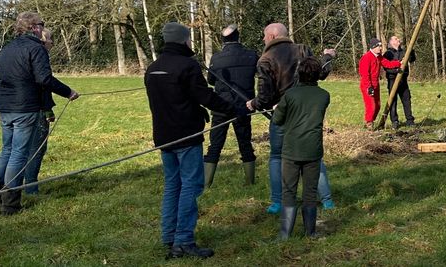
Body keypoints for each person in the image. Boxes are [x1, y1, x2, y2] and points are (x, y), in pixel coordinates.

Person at [144, 22, 238, 259]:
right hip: (186, 135)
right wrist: (232, 109)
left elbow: (177, 99)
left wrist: (197, 110)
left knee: (172, 186)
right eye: (189, 39)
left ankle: (169, 236)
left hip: (164, 136)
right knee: (191, 185)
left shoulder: (152, 68)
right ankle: (184, 240)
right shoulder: (187, 65)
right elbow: (204, 95)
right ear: (183, 40)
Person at [0, 12, 79, 215]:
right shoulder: (36, 48)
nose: (42, 28)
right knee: (18, 153)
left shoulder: (5, 49)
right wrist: (68, 92)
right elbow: (44, 79)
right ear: (34, 27)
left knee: (6, 150)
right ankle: (10, 204)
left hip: (6, 107)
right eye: (41, 24)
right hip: (25, 108)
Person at [246, 22, 337, 215]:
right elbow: (320, 73)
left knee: (277, 157)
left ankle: (278, 202)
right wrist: (328, 57)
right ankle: (327, 200)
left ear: (271, 37)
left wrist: (253, 104)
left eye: (264, 36)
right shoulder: (303, 50)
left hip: (282, 116)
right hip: (306, 114)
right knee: (314, 157)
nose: (263, 39)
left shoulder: (265, 59)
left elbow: (264, 97)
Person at [272, 57, 331, 240]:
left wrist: (278, 108)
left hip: (291, 150)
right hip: (313, 149)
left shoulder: (289, 95)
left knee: (288, 191)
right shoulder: (324, 95)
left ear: (299, 74)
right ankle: (310, 232)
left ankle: (284, 234)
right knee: (310, 192)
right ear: (317, 75)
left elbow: (277, 120)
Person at [204, 24, 259, 187]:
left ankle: (207, 184)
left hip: (221, 106)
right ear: (238, 37)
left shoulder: (216, 58)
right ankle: (250, 182)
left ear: (223, 40)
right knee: (245, 143)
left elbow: (210, 81)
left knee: (215, 144)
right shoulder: (251, 55)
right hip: (244, 105)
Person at [22, 28, 58, 195]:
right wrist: (68, 92)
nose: (52, 43)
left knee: (18, 149)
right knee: (36, 148)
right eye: (50, 39)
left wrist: (49, 108)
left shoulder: (24, 53)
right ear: (43, 41)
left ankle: (7, 188)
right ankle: (31, 188)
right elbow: (43, 84)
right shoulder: (39, 54)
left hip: (19, 108)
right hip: (35, 109)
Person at [381, 35, 416, 128]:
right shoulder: (388, 54)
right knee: (393, 101)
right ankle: (395, 121)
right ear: (391, 42)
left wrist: (411, 51)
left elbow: (412, 59)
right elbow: (386, 68)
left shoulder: (404, 51)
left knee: (406, 100)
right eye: (396, 39)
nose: (399, 40)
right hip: (392, 80)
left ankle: (410, 120)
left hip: (403, 80)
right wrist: (396, 71)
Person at [358, 38, 383, 129]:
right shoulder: (366, 58)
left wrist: (398, 63)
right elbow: (364, 74)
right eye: (378, 46)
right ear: (373, 47)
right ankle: (369, 124)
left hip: (376, 84)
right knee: (371, 106)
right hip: (367, 85)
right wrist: (369, 87)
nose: (380, 48)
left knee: (378, 106)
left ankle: (370, 121)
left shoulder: (379, 57)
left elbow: (387, 63)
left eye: (381, 46)